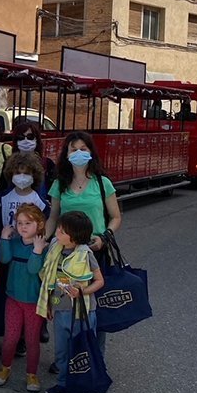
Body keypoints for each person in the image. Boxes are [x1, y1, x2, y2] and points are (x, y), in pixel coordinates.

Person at [43, 131, 122, 357]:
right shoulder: (60, 183)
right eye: (73, 149)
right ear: (66, 154)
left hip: (95, 251)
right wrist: (44, 241)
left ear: (91, 152)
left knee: (92, 306)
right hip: (67, 253)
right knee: (66, 304)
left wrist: (104, 237)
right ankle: (67, 357)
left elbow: (115, 217)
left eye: (83, 149)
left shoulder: (102, 182)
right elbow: (53, 216)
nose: (78, 153)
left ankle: (93, 357)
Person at [38, 211, 105, 393]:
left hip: (82, 312)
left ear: (74, 237)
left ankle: (79, 385)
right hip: (61, 310)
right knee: (61, 351)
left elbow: (99, 281)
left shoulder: (86, 254)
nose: (56, 232)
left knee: (79, 350)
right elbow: (50, 279)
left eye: (61, 230)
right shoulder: (56, 250)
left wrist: (82, 292)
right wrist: (50, 305)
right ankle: (62, 382)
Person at [0, 152, 46, 339]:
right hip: (7, 250)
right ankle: (4, 329)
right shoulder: (3, 197)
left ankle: (27, 334)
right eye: (18, 172)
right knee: (5, 292)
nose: (21, 177)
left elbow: (44, 228)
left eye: (26, 173)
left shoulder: (39, 201)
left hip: (29, 253)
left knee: (28, 293)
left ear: (34, 176)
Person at [0, 204, 48, 392]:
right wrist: (4, 238)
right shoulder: (15, 242)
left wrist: (37, 250)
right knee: (10, 337)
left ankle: (32, 374)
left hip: (33, 302)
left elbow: (34, 269)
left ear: (39, 225)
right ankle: (5, 367)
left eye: (28, 223)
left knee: (32, 340)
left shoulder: (43, 246)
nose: (22, 227)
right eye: (19, 223)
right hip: (13, 298)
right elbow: (4, 259)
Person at [9, 121, 55, 202]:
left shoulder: (48, 163)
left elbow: (54, 191)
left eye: (30, 137)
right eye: (21, 137)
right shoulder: (8, 163)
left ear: (36, 139)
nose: (25, 140)